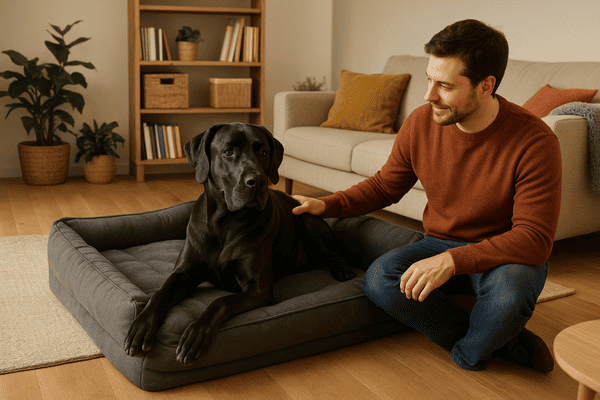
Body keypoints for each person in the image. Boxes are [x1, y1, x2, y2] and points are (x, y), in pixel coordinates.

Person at [292, 19, 561, 372]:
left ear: (485, 86)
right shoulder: (421, 123)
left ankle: (471, 352)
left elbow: (534, 240)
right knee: (379, 279)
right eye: (429, 79)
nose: (428, 94)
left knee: (509, 295)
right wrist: (327, 204)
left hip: (503, 255)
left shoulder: (535, 142)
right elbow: (385, 186)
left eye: (445, 86)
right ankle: (501, 338)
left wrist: (453, 262)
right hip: (438, 242)